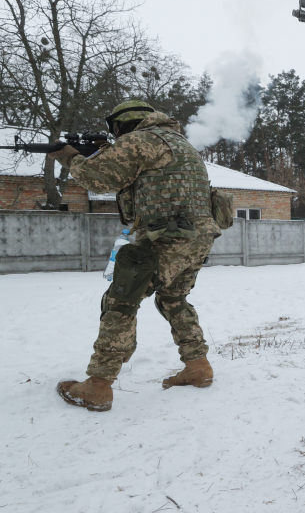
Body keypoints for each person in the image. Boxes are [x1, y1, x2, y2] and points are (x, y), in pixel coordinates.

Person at [48, 101, 221, 412]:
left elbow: (99, 180)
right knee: (172, 299)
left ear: (120, 125)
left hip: (166, 238)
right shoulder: (179, 143)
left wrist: (69, 157)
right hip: (197, 237)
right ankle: (198, 367)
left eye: (115, 131)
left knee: (121, 299)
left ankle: (98, 386)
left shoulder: (142, 140)